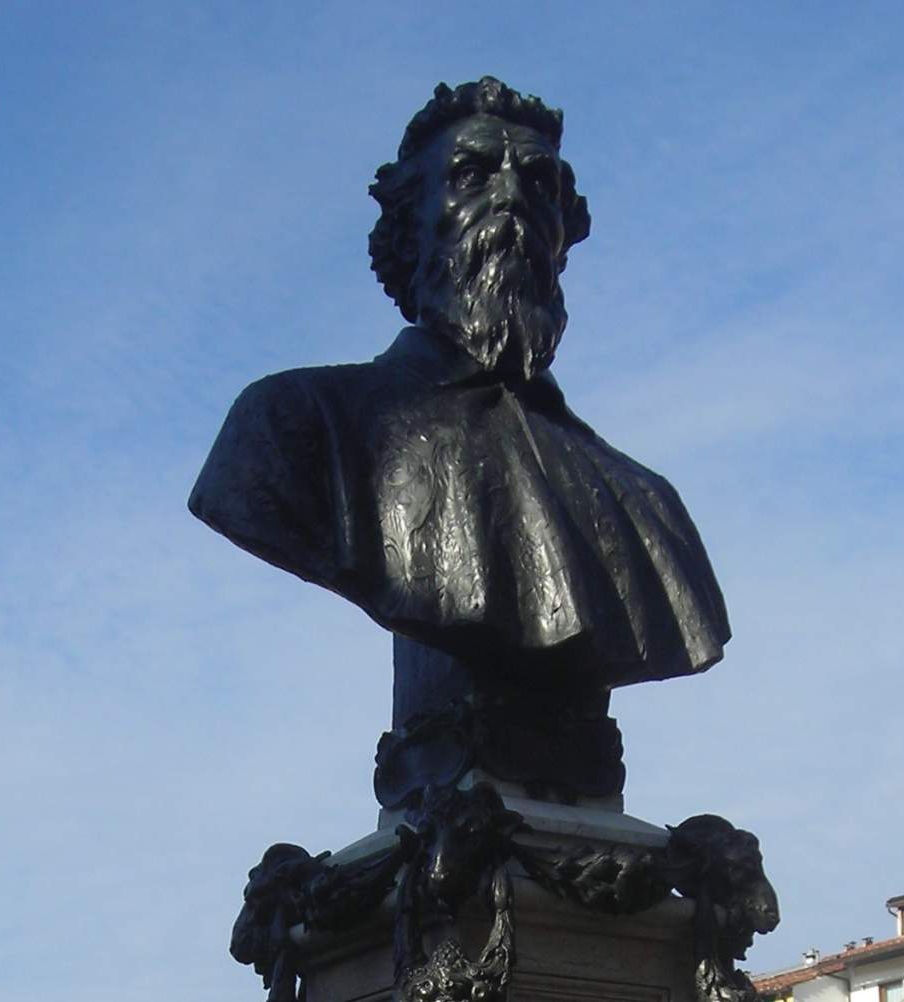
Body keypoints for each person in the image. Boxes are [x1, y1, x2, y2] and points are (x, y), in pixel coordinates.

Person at [190, 78, 731, 804]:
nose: (511, 200)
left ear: (565, 235)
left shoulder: (643, 500)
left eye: (537, 183)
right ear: (410, 230)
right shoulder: (298, 423)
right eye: (473, 176)